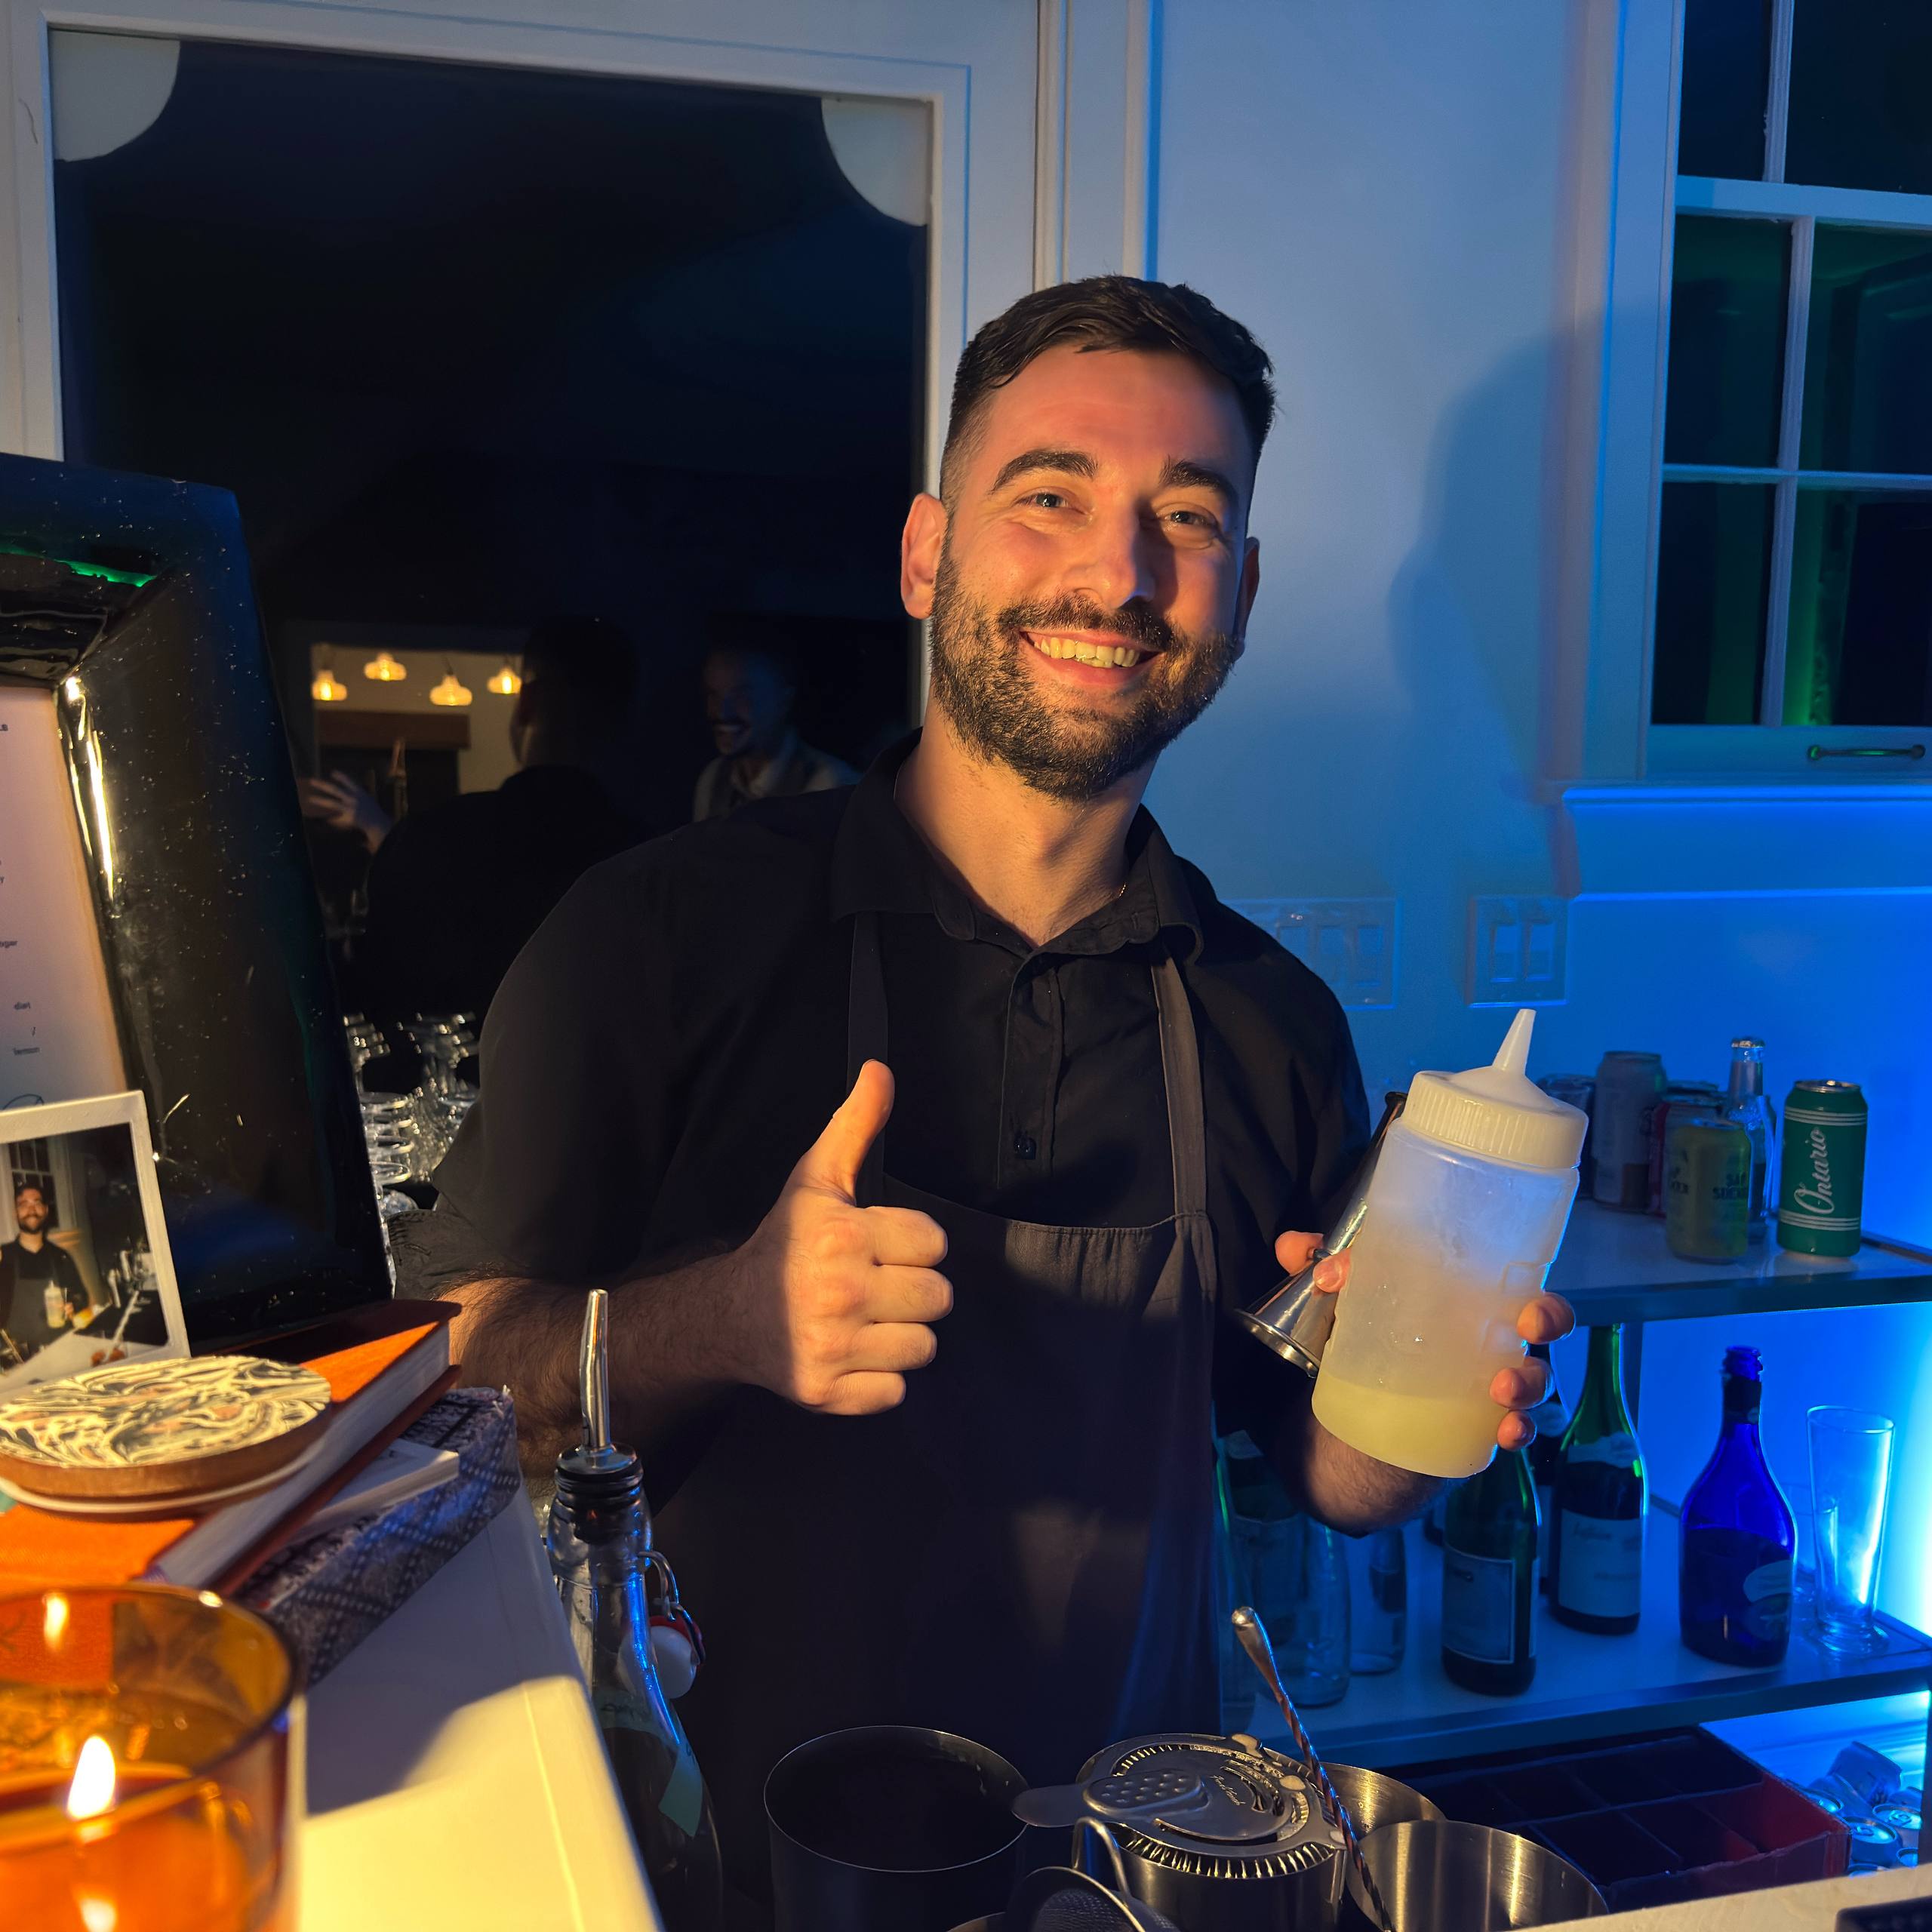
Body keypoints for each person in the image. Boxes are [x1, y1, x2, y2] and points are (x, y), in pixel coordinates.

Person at [407, 277, 1571, 1906]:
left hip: (1125, 1866)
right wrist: (724, 1320)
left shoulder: (1269, 1021)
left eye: (1186, 514)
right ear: (925, 552)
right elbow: (439, 1400)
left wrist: (1432, 1395)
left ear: (1236, 590)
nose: (1117, 569)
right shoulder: (655, 933)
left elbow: (1324, 1475)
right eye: (1050, 497)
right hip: (708, 1849)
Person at [352, 617, 648, 1020]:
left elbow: (380, 992)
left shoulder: (429, 839)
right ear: (625, 721)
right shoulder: (651, 860)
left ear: (526, 703)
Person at [691, 637, 857, 820]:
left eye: (741, 695)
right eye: (714, 694)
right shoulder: (713, 779)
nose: (721, 712)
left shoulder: (832, 785)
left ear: (783, 700)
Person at [2, 1183, 87, 1360]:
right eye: (23, 1204)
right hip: (18, 1359)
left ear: (46, 1210)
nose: (31, 1209)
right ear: (15, 1213)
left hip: (61, 1353)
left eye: (37, 1203)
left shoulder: (61, 1257)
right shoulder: (4, 1257)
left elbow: (80, 1296)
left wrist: (74, 1305)